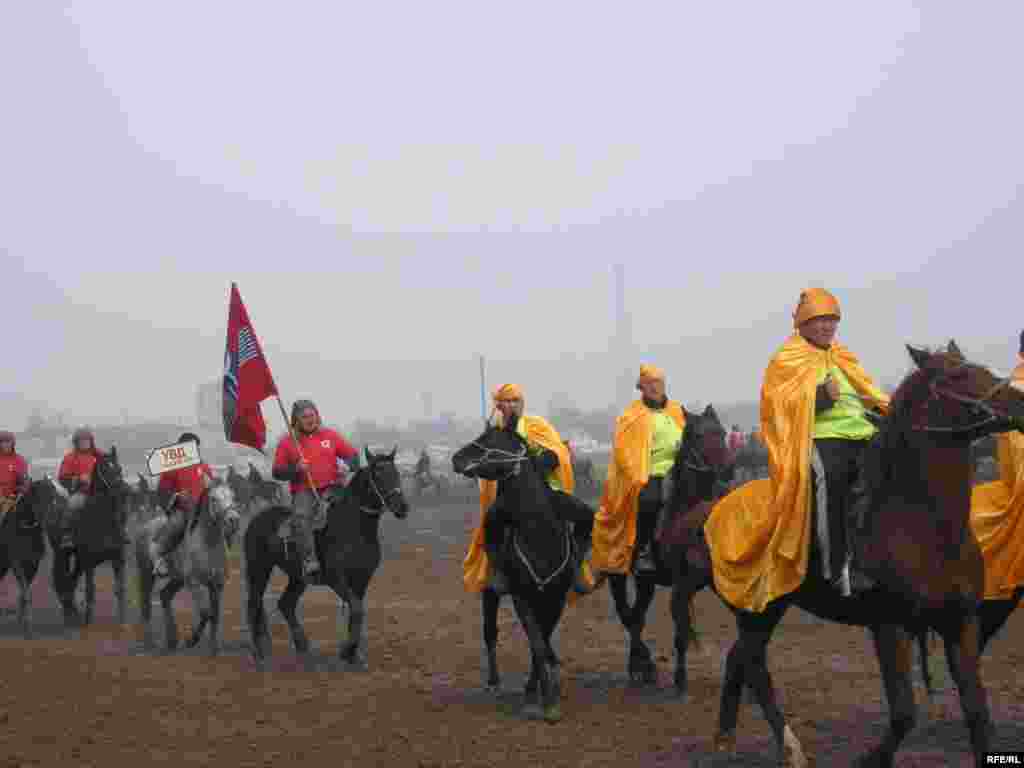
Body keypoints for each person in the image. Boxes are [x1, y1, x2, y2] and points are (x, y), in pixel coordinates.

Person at [705, 287, 890, 612]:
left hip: (863, 432)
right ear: (802, 324)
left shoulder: (841, 355)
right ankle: (837, 568)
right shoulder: (786, 359)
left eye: (831, 320)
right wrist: (820, 396)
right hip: (817, 437)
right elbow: (777, 407)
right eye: (819, 320)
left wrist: (890, 412)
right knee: (832, 477)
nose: (826, 327)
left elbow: (869, 393)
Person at [464, 383, 593, 594]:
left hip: (544, 491)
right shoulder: (495, 432)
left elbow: (556, 451)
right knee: (491, 521)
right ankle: (499, 572)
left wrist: (541, 462)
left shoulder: (537, 425)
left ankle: (575, 566)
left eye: (516, 400)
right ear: (499, 406)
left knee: (587, 516)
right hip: (509, 496)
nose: (513, 405)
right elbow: (481, 460)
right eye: (507, 401)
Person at [590, 365, 687, 576]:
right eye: (649, 383)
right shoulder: (631, 415)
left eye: (658, 382)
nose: (655, 387)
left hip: (680, 469)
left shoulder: (677, 411)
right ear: (641, 387)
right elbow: (623, 449)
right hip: (649, 471)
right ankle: (644, 551)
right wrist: (637, 473)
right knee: (650, 500)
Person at [272, 399, 358, 580]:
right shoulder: (288, 443)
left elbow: (354, 457)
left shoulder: (331, 436)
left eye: (312, 415)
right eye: (304, 417)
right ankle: (309, 560)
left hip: (333, 487)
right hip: (304, 491)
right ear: (295, 420)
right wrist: (295, 469)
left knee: (352, 510)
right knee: (301, 518)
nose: (310, 419)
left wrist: (348, 466)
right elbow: (277, 472)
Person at [148, 433, 214, 578]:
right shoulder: (171, 468)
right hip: (182, 510)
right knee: (175, 525)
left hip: (203, 511)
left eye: (196, 446)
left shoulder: (204, 466)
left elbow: (211, 489)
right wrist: (177, 496)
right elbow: (162, 491)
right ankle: (158, 557)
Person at [56, 427, 103, 548]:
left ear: (91, 441)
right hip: (81, 493)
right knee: (72, 504)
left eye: (87, 440)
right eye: (81, 441)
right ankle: (67, 535)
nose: (84, 443)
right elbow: (62, 477)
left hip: (101, 492)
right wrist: (78, 479)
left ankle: (119, 533)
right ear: (76, 442)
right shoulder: (70, 458)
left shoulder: (100, 455)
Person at [0, 430, 30, 520]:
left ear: (13, 443)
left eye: (8, 442)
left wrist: (21, 490)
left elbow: (25, 481)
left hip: (14, 497)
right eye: (2, 442)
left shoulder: (19, 460)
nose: (6, 445)